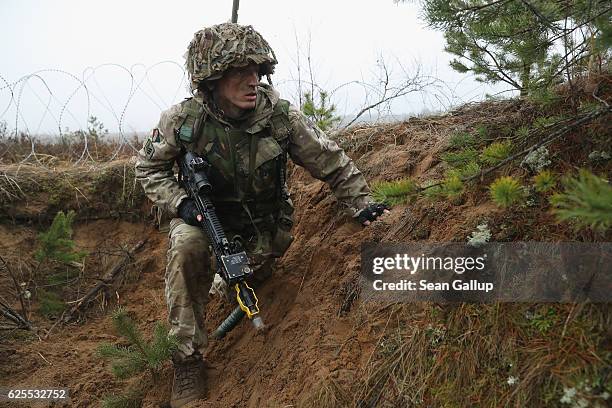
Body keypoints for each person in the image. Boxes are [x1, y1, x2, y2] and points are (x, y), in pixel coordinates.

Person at [135, 22, 389, 408]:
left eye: (257, 72)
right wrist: (184, 205)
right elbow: (148, 169)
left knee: (248, 277)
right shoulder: (183, 121)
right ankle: (187, 361)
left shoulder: (280, 117)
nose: (252, 81)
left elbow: (331, 163)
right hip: (206, 223)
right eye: (240, 72)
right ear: (212, 80)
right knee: (186, 245)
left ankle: (231, 280)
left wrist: (364, 203)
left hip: (265, 235)